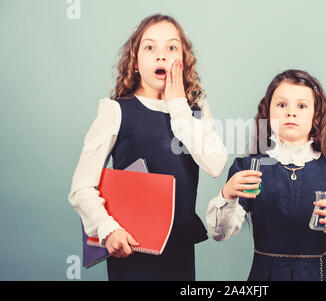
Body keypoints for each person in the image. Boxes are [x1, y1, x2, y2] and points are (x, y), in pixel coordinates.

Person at [68, 14, 227, 280]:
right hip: (130, 249)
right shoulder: (115, 111)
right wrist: (108, 229)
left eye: (171, 48)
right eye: (150, 47)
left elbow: (216, 164)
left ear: (184, 61)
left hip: (179, 252)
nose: (161, 56)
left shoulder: (193, 111)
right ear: (135, 62)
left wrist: (178, 106)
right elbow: (81, 187)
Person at [206, 69, 326, 281]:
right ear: (268, 113)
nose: (291, 113)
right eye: (282, 105)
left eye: (302, 106)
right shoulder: (247, 168)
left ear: (316, 115)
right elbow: (220, 234)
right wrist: (227, 194)